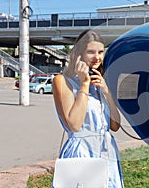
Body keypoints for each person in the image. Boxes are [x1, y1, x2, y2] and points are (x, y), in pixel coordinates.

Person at [52, 30, 124, 187]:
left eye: (100, 52)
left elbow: (115, 126)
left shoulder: (101, 83)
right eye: (91, 52)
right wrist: (84, 83)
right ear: (79, 54)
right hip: (82, 152)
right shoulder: (63, 82)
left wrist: (106, 92)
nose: (97, 57)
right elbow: (74, 125)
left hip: (107, 151)